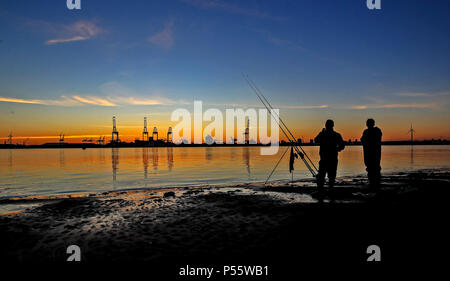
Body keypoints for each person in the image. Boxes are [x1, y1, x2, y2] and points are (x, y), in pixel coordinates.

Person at [314, 120, 345, 194]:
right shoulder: (336, 135)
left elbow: (315, 140)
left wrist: (321, 133)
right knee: (331, 175)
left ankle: (321, 190)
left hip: (325, 158)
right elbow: (342, 145)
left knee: (322, 175)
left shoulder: (323, 134)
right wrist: (337, 149)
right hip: (332, 158)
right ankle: (330, 189)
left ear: (326, 125)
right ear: (333, 125)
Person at [361, 118, 382, 190]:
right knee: (370, 169)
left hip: (374, 153)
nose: (368, 124)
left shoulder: (376, 131)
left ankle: (376, 184)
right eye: (367, 123)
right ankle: (372, 184)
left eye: (369, 123)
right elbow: (362, 140)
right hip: (368, 154)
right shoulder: (366, 132)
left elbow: (364, 140)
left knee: (375, 168)